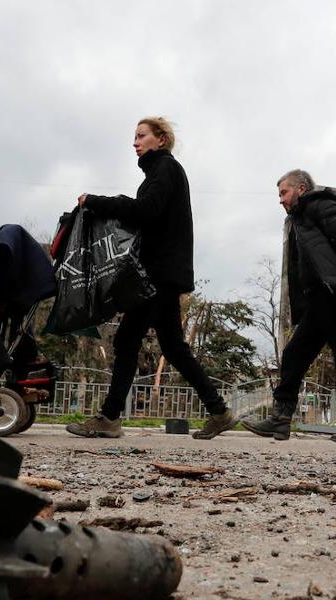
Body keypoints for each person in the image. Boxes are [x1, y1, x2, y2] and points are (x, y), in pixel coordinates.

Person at [65, 117, 236, 440]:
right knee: (173, 346)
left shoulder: (166, 169)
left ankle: (110, 417)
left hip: (157, 273)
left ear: (161, 139)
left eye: (141, 136)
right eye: (135, 137)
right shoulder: (162, 171)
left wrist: (99, 202)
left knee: (127, 338)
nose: (135, 142)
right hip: (166, 273)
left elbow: (147, 210)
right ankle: (219, 411)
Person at [242, 170, 336, 443]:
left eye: (284, 192)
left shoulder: (320, 206)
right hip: (320, 299)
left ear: (301, 189)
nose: (280, 200)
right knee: (296, 355)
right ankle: (281, 420)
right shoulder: (300, 219)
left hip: (332, 297)